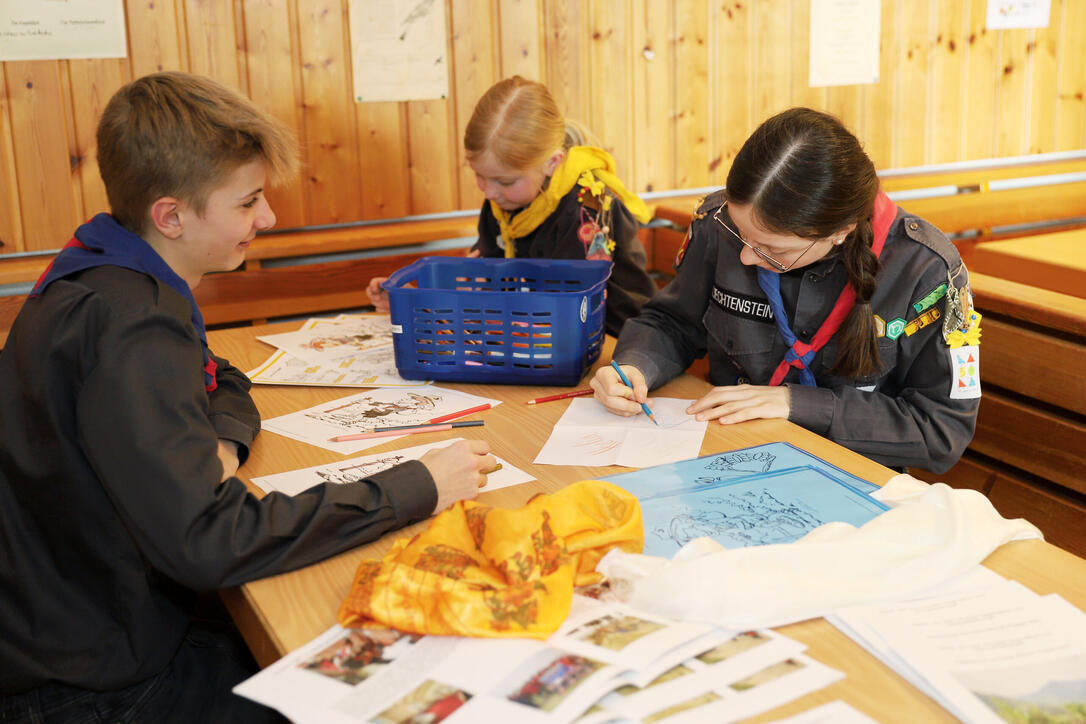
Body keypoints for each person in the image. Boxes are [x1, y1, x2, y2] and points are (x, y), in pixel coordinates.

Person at [0, 72, 495, 723]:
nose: (268, 218)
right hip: (94, 682)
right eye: (247, 202)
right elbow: (206, 542)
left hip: (73, 619)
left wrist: (222, 442)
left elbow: (220, 378)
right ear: (171, 215)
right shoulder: (136, 326)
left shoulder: (105, 266)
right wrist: (414, 487)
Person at [591, 108, 981, 473]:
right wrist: (635, 366)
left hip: (849, 479)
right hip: (727, 456)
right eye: (740, 234)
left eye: (773, 250)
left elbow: (942, 431)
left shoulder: (927, 272)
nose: (745, 257)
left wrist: (797, 404)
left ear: (840, 232)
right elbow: (671, 322)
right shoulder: (716, 224)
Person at [368, 75, 658, 337]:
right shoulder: (503, 200)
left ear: (552, 163)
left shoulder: (587, 211)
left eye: (504, 181)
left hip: (615, 342)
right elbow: (485, 273)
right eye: (480, 175)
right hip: (534, 336)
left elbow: (571, 308)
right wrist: (416, 298)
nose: (489, 190)